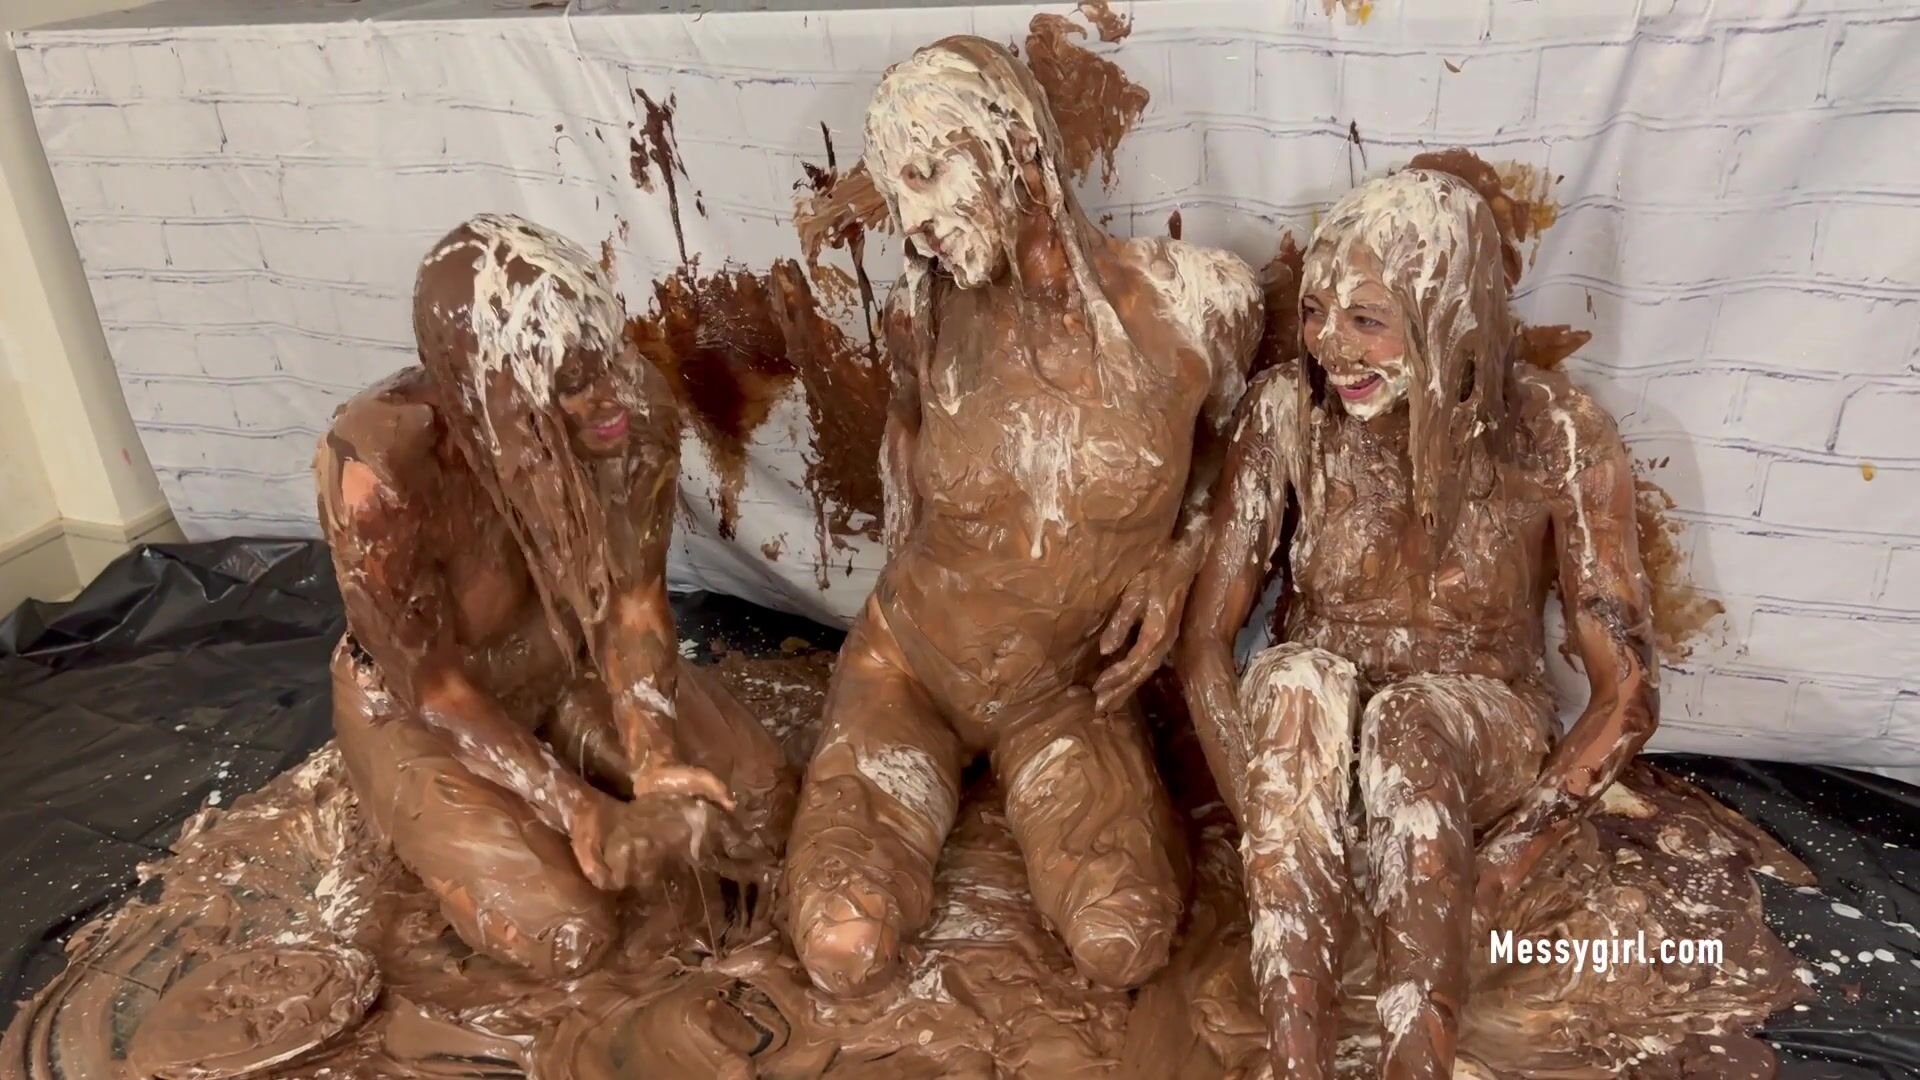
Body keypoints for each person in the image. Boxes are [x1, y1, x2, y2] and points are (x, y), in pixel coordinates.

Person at [781, 35, 1264, 998]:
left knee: (1121, 939)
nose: (912, 223)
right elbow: (906, 449)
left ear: (1014, 142)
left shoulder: (1199, 304)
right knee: (841, 943)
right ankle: (913, 786)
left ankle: (1031, 787)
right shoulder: (925, 313)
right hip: (912, 667)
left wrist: (1181, 557)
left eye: (925, 174)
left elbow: (1242, 445)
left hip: (1064, 689)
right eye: (894, 191)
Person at [1175, 169, 1657, 1079]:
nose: (1330, 345)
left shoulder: (1555, 434)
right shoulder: (1287, 412)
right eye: (1315, 311)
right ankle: (1296, 1056)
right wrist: (1267, 823)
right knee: (1295, 682)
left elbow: (1627, 692)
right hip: (1315, 749)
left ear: (1451, 319)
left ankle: (1417, 1054)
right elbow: (1204, 644)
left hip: (1479, 732)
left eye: (1367, 319)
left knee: (1409, 721)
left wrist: (1500, 869)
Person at [315, 213, 794, 977]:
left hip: (567, 661)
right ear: (482, 394)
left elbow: (632, 605)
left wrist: (656, 759)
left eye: (607, 356)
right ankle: (412, 804)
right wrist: (574, 805)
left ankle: (589, 769)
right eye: (569, 384)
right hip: (424, 709)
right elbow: (433, 687)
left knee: (760, 806)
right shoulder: (381, 468)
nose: (609, 398)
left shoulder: (629, 414)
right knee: (566, 934)